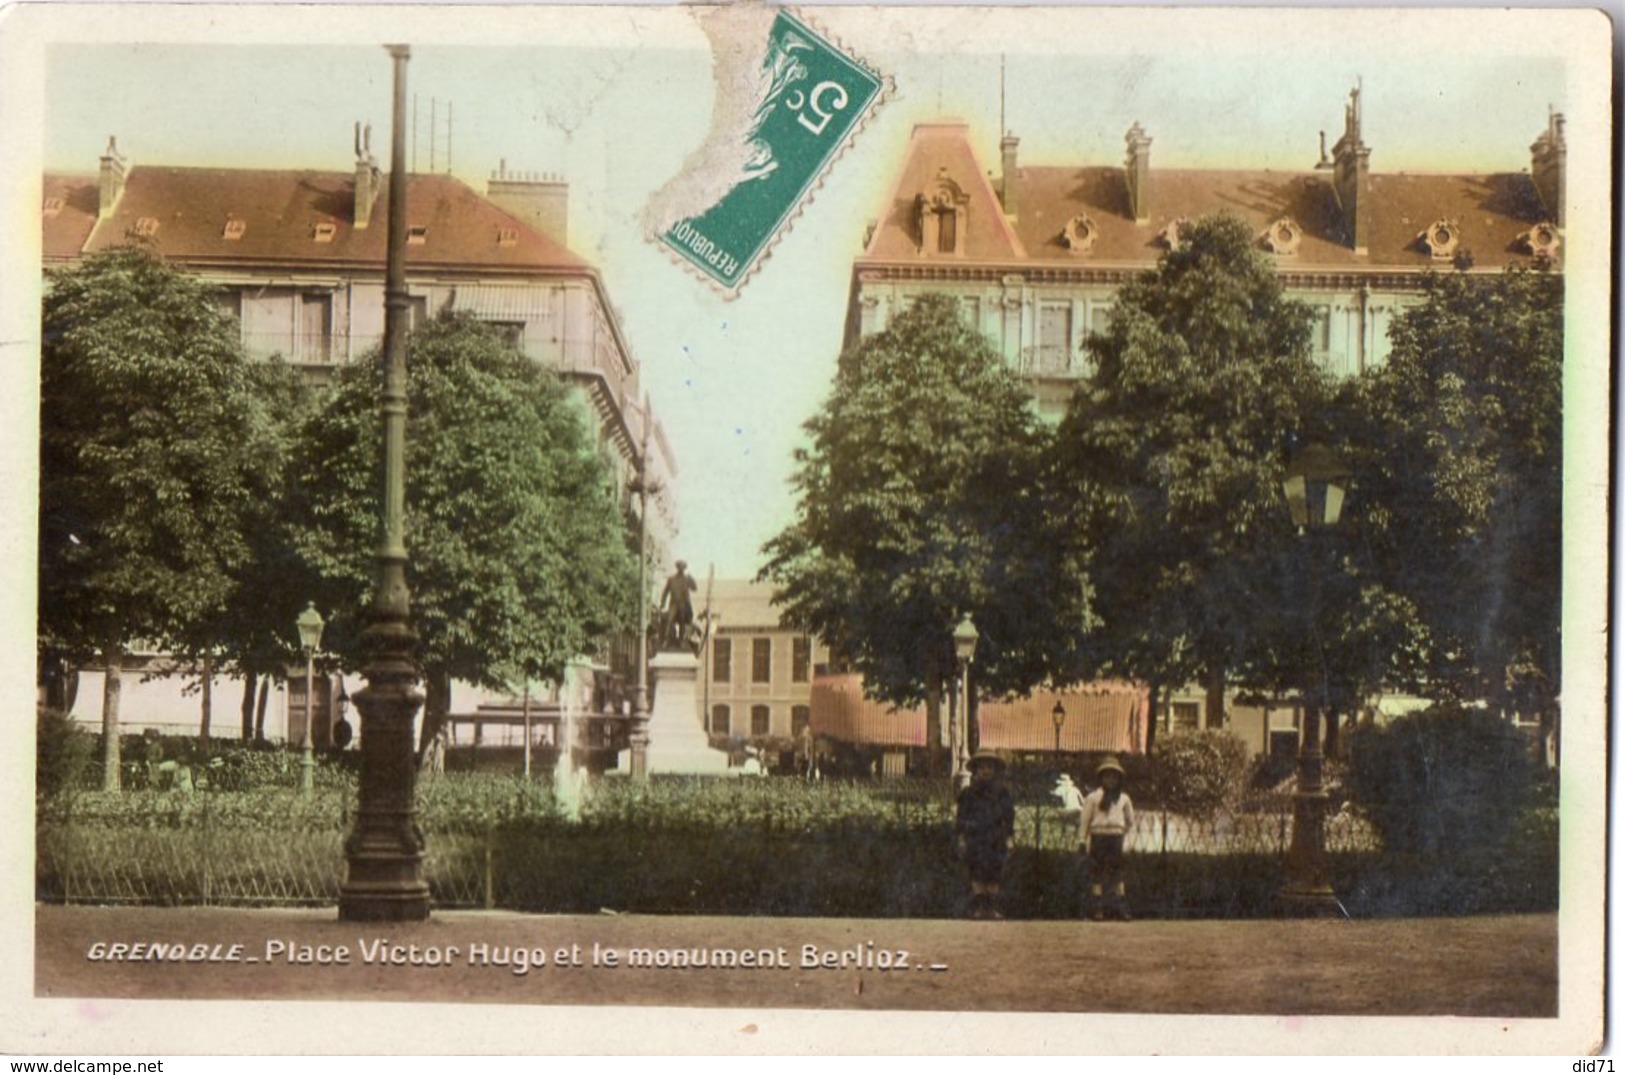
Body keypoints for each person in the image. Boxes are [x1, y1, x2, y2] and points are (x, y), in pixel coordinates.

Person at [955, 749, 1015, 920]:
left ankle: (992, 908)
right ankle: (979, 908)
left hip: (996, 836)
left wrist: (1009, 837)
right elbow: (961, 816)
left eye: (989, 767)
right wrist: (961, 837)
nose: (986, 771)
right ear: (976, 770)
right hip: (975, 836)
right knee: (977, 871)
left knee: (994, 871)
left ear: (995, 770)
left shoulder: (1002, 793)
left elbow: (1009, 816)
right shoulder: (968, 794)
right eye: (982, 768)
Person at [1078, 756, 1135, 920]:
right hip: (1098, 838)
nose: (1110, 780)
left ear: (1119, 779)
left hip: (1115, 839)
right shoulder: (1093, 798)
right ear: (1101, 778)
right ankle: (1098, 909)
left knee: (1117, 874)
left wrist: (1121, 832)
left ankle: (1122, 909)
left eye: (1114, 776)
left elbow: (1131, 821)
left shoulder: (1124, 799)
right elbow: (1085, 821)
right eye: (1107, 776)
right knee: (1097, 872)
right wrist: (1082, 840)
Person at [658, 560, 698, 651]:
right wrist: (662, 603)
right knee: (669, 620)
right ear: (677, 568)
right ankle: (666, 640)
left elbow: (695, 588)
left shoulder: (687, 579)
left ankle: (681, 641)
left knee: (682, 622)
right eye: (679, 567)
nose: (681, 569)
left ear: (684, 568)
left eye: (683, 567)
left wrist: (692, 580)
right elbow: (665, 592)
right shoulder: (671, 579)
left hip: (684, 605)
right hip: (674, 604)